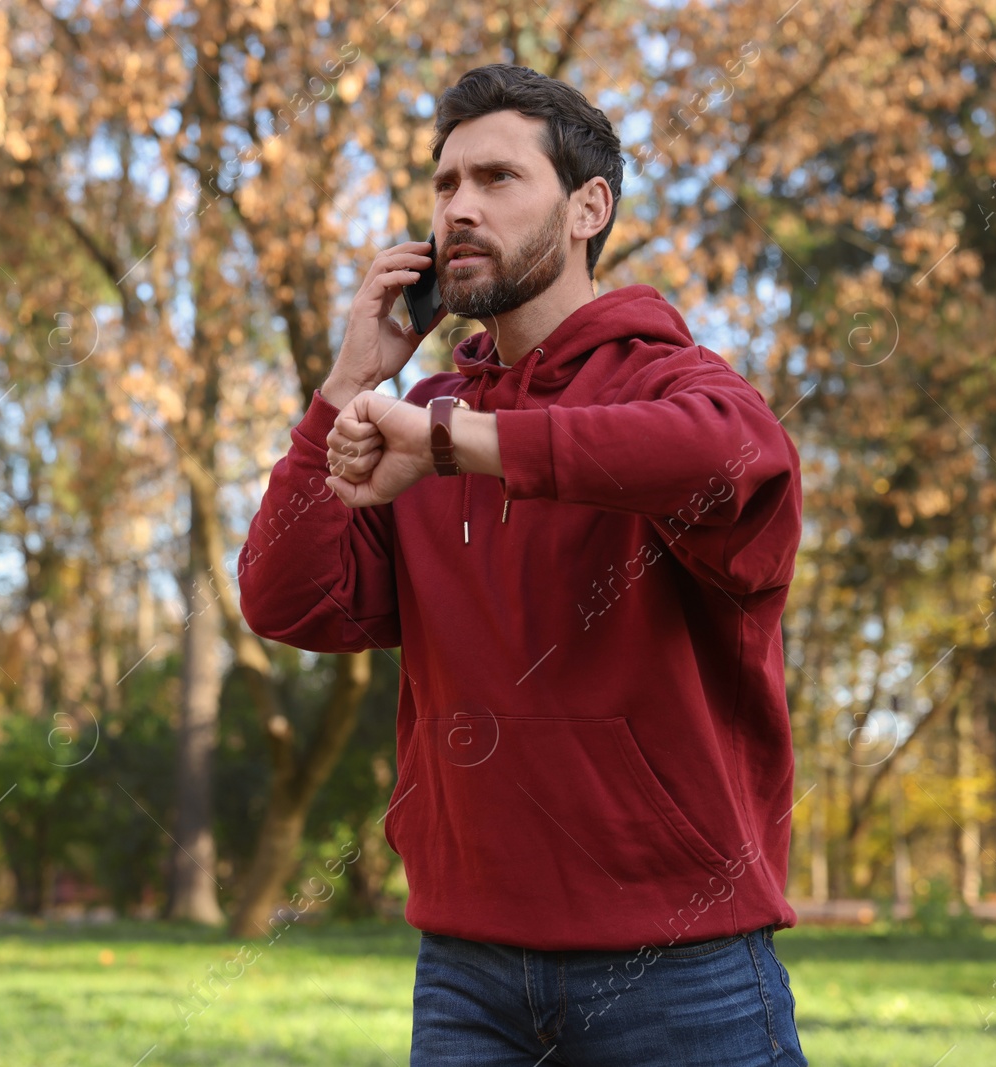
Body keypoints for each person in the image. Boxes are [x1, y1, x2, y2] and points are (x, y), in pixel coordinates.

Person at [237, 64, 807, 1065]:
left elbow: (724, 456)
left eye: (497, 179)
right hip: (468, 975)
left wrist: (462, 445)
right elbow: (286, 597)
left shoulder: (674, 383)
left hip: (678, 967)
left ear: (589, 206)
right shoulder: (421, 412)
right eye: (444, 184)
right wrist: (348, 381)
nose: (459, 207)